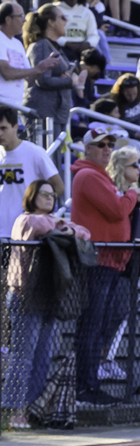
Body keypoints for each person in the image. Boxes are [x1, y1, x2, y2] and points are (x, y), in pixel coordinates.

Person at [4, 179, 88, 428]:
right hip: (24, 297)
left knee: (43, 357)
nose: (50, 199)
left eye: (53, 195)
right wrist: (65, 226)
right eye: (44, 195)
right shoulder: (26, 219)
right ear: (32, 196)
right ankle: (14, 411)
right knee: (23, 356)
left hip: (48, 297)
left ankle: (32, 408)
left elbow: (84, 232)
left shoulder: (54, 221)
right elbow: (40, 227)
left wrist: (67, 228)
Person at [67, 125, 135, 404]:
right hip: (96, 261)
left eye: (110, 144)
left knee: (99, 324)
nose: (107, 149)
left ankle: (89, 385)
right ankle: (85, 387)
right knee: (92, 325)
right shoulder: (87, 175)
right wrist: (131, 193)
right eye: (101, 144)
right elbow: (117, 210)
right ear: (87, 149)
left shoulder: (99, 176)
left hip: (108, 261)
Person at [22, 6, 74, 145]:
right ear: (51, 22)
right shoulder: (41, 46)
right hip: (44, 115)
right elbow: (43, 80)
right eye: (63, 17)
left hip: (56, 115)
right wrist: (70, 82)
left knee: (54, 162)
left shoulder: (53, 46)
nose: (66, 21)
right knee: (46, 161)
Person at [0, 105, 62, 223]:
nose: (0, 133)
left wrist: (39, 211)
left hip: (27, 228)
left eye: (4, 128)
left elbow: (58, 186)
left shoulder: (35, 152)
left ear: (15, 127)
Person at [0, 2, 63, 116]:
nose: (24, 20)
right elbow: (7, 73)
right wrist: (37, 69)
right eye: (21, 16)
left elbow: (29, 77)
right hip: (2, 105)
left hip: (15, 107)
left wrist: (46, 66)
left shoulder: (17, 44)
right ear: (8, 19)